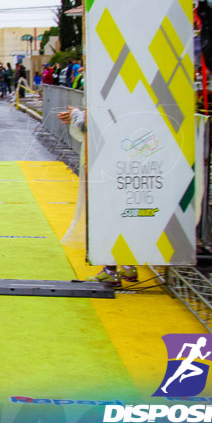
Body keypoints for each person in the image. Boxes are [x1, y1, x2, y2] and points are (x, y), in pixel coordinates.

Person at [57, 105, 137, 287]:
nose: (83, 74)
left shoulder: (106, 84)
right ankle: (127, 263)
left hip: (107, 162)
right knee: (123, 211)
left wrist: (76, 115)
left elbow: (92, 123)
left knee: (107, 213)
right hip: (126, 159)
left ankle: (111, 269)